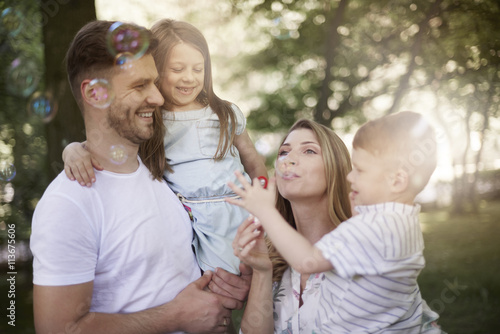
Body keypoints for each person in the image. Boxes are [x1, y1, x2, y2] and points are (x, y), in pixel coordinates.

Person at [30, 20, 249, 334]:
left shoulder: (159, 169)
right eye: (139, 85)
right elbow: (58, 329)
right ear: (95, 93)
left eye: (155, 83)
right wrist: (175, 317)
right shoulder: (69, 202)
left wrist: (230, 286)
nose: (159, 98)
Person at [63, 18, 267, 275]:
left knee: (257, 279)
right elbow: (109, 143)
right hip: (188, 219)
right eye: (178, 68)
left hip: (235, 212)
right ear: (157, 70)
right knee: (213, 288)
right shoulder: (150, 118)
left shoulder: (223, 113)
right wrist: (72, 149)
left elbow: (253, 161)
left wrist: (264, 204)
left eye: (198, 69)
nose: (189, 78)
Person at [228, 114, 444, 333]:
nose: (288, 160)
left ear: (337, 168)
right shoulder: (276, 258)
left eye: (309, 150)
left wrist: (265, 212)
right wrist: (262, 271)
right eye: (284, 152)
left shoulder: (370, 240)